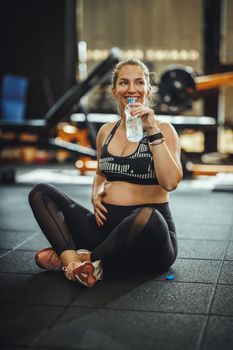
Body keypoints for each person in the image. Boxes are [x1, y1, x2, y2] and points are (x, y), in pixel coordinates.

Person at [28, 58, 183, 288]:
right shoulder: (106, 132)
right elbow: (101, 172)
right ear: (115, 90)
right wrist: (96, 191)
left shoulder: (165, 130)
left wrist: (151, 130)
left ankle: (86, 258)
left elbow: (170, 182)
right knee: (40, 193)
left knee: (148, 215)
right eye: (124, 83)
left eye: (139, 82)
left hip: (149, 238)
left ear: (148, 90)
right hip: (104, 231)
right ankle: (75, 263)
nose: (131, 89)